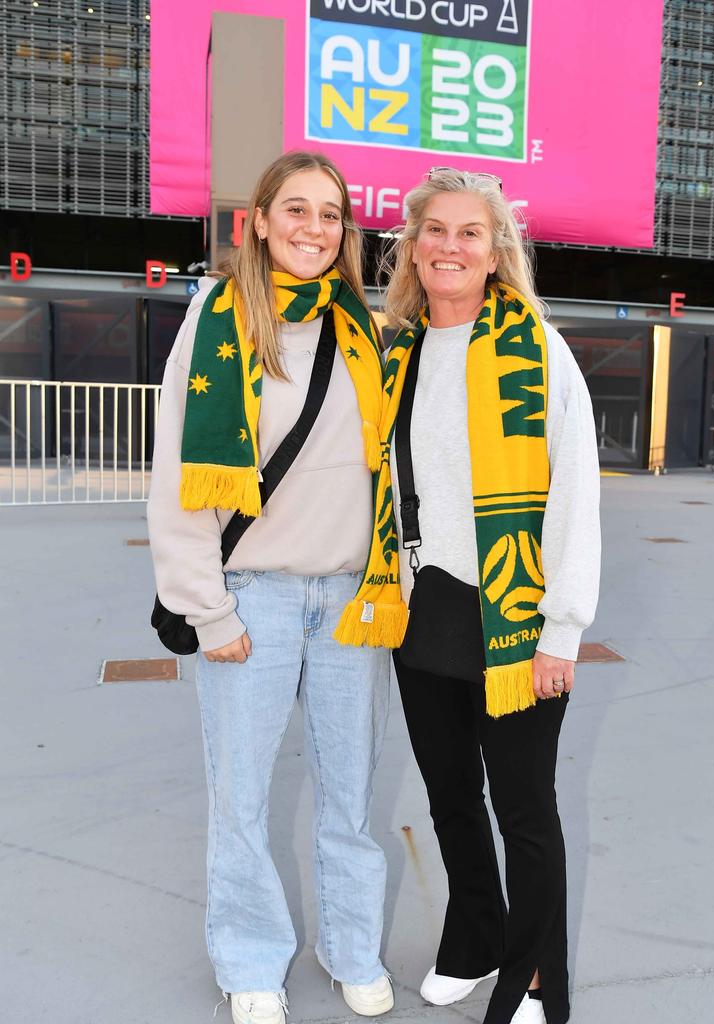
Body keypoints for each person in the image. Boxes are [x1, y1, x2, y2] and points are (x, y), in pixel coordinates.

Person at [336, 168, 601, 1024]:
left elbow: (575, 497)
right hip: (425, 611)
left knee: (524, 810)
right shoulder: (399, 350)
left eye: (470, 233)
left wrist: (561, 629)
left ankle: (531, 978)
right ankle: (475, 938)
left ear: (496, 253)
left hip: (513, 617)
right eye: (436, 230)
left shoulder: (538, 351)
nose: (451, 246)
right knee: (451, 798)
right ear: (411, 245)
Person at [147, 151, 396, 1024]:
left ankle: (354, 948)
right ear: (258, 220)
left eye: (330, 215)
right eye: (295, 210)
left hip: (349, 603)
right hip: (251, 595)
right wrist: (206, 610)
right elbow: (180, 474)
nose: (313, 229)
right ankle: (250, 959)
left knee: (351, 798)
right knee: (242, 799)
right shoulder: (218, 322)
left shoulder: (359, 328)